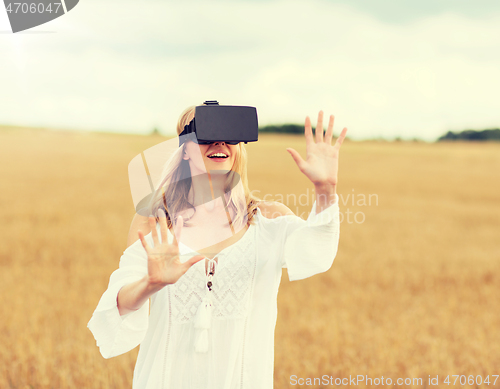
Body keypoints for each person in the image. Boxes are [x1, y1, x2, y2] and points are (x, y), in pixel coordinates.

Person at [87, 104, 348, 388]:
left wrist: (326, 190)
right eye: (207, 135)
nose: (220, 143)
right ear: (185, 149)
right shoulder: (156, 221)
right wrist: (151, 283)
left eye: (229, 135)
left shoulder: (268, 219)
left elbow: (317, 253)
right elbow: (121, 304)